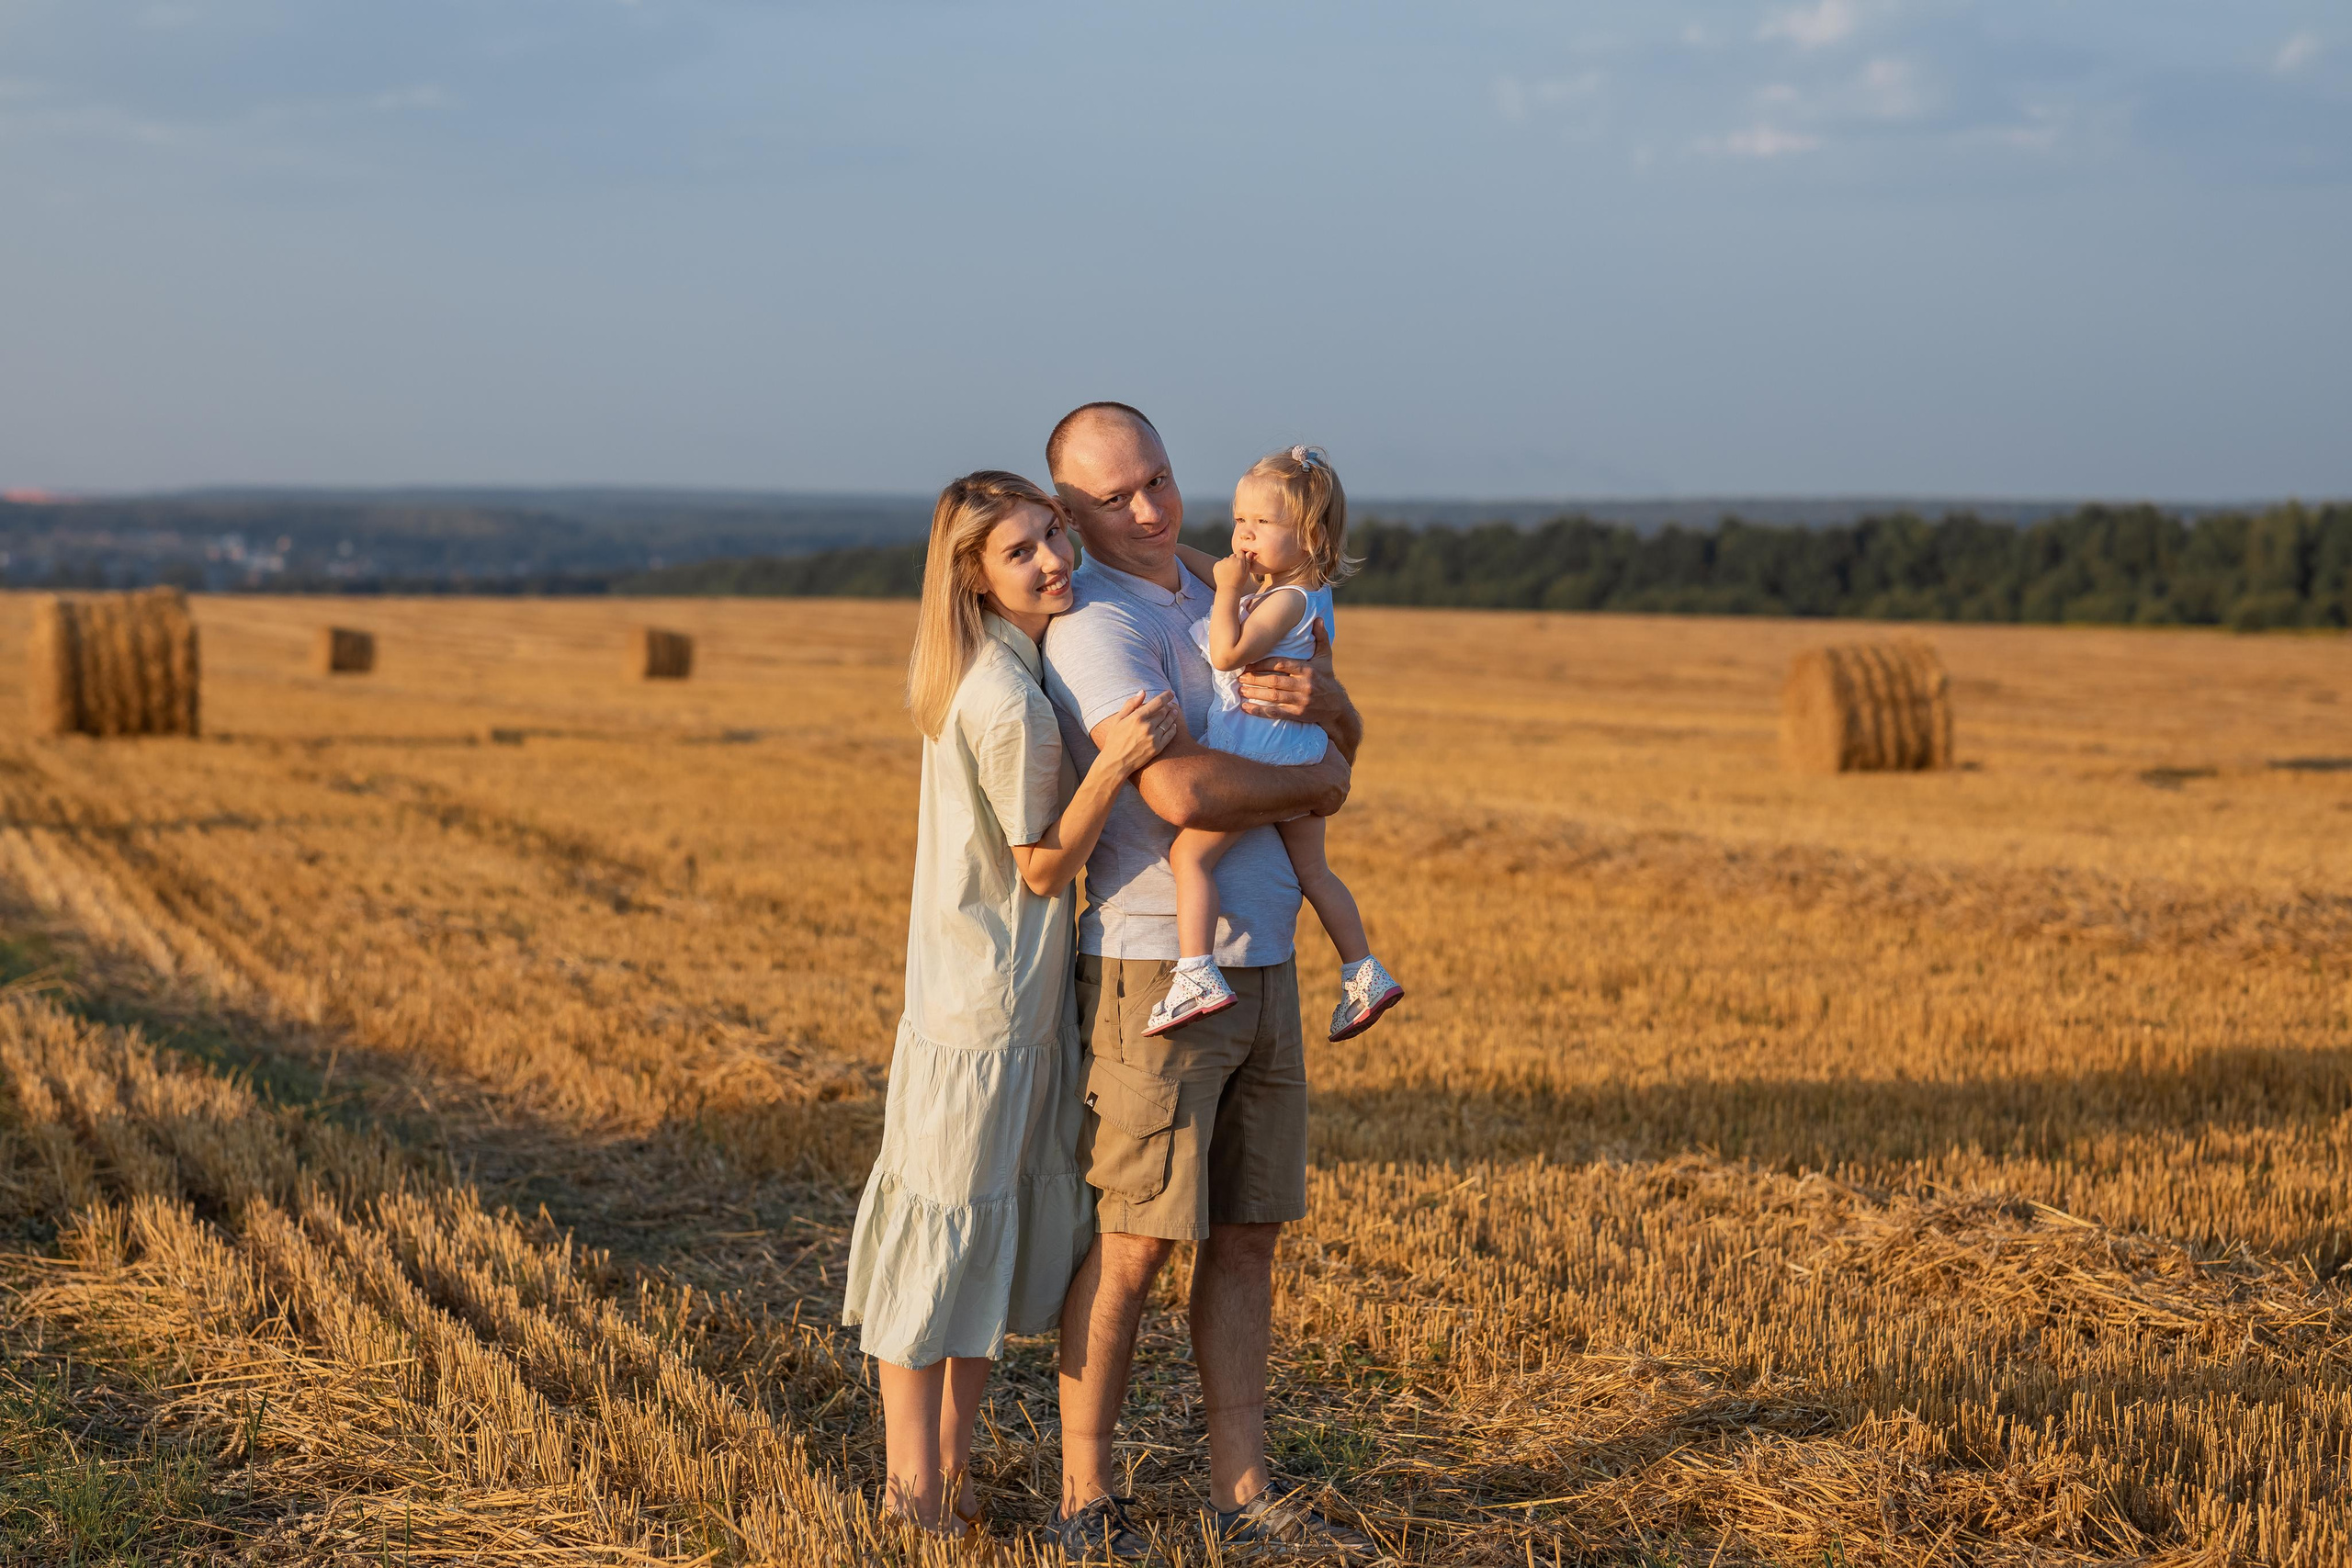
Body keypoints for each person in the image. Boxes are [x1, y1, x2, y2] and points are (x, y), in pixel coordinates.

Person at [1039, 403, 1378, 1562]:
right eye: (1111, 498)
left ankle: (1245, 1493)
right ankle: (1086, 1499)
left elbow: (1337, 732)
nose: (1148, 510)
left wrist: (1334, 721)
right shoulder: (1092, 620)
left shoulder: (1224, 575)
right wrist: (1319, 788)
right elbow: (1178, 794)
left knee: (1247, 1237)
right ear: (1068, 514)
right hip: (1153, 964)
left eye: (1159, 480)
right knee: (1135, 1240)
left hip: (1270, 957)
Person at [841, 470, 1180, 1536]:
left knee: (974, 1246)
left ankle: (949, 1475)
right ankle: (913, 1496)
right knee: (941, 1249)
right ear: (974, 578)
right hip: (982, 1017)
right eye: (1022, 551)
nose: (1052, 562)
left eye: (1052, 537)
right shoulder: (1005, 700)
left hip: (995, 1006)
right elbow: (1040, 865)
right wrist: (1117, 762)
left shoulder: (996, 666)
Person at [1152, 444, 1405, 1043]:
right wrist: (1178, 560)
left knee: (1190, 856)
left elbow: (1226, 651)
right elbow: (1212, 567)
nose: (1242, 535)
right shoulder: (1306, 595)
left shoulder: (1285, 600)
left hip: (1259, 761)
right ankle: (1362, 971)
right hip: (1298, 754)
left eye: (1260, 524)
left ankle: (1196, 973)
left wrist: (1224, 591)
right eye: (1239, 519)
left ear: (1311, 535)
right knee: (1314, 872)